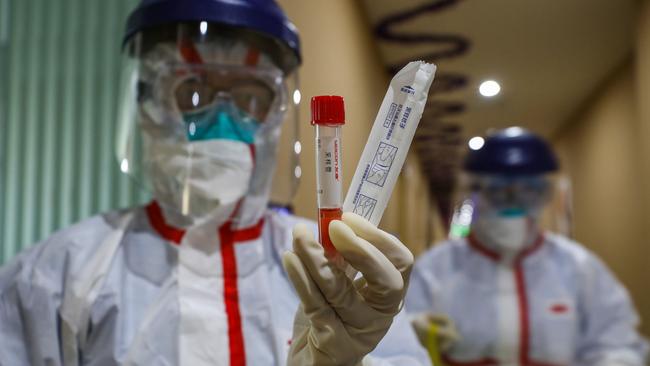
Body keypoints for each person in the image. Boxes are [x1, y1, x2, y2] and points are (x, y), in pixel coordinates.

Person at [0, 0, 430, 365]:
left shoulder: (329, 265)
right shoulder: (58, 274)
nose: (222, 121)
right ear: (148, 104)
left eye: (249, 98)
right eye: (192, 93)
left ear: (276, 112)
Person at [406, 127, 649, 365]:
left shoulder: (580, 267)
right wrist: (410, 333)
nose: (514, 203)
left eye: (529, 191)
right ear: (476, 191)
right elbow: (396, 348)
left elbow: (616, 342)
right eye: (500, 191)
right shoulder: (434, 268)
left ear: (545, 194)